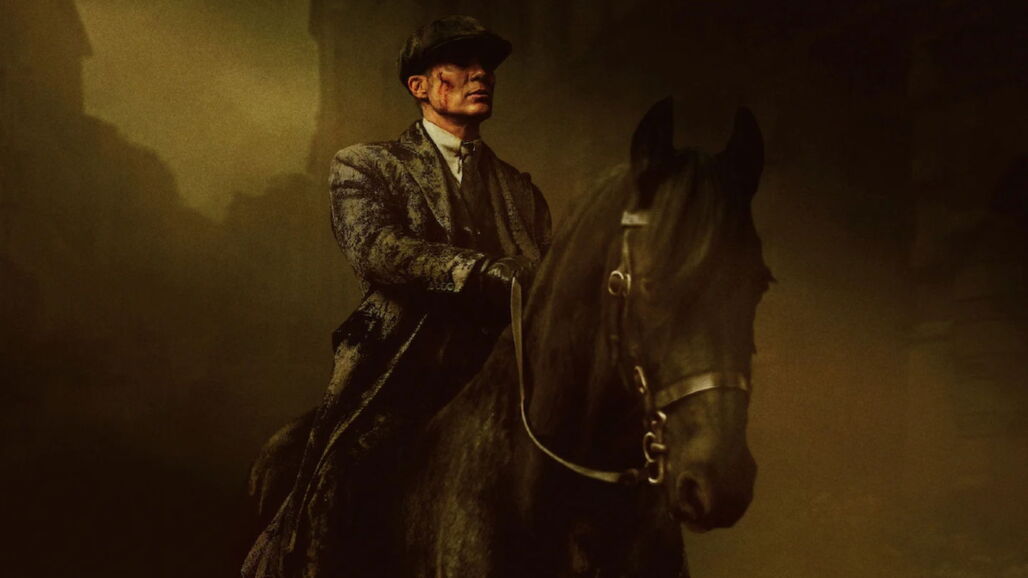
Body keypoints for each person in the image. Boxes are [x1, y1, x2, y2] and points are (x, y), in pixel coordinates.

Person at [242, 15, 551, 578]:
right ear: (420, 86)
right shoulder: (366, 165)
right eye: (460, 64)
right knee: (343, 477)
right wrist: (479, 269)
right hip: (404, 368)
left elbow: (547, 279)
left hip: (511, 371)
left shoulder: (520, 190)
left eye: (486, 66)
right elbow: (376, 249)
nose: (481, 74)